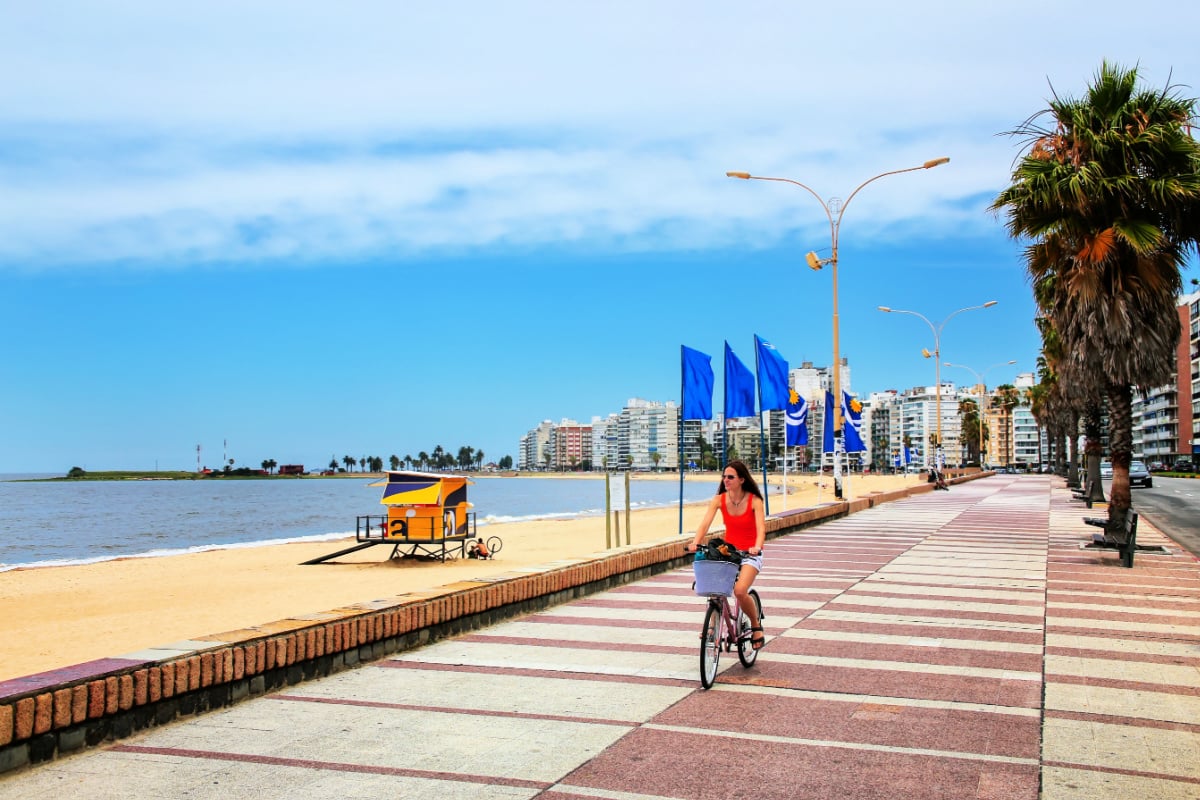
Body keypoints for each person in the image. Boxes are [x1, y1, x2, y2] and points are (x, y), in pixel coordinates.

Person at [685, 460, 767, 650]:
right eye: (724, 476)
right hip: (728, 552)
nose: (726, 480)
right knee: (714, 589)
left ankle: (756, 626)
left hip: (749, 554)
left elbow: (761, 529)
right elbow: (705, 524)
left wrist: (756, 546)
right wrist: (696, 542)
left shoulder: (755, 500)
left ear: (742, 480)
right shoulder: (719, 499)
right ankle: (712, 627)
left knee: (739, 591)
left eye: (730, 477)